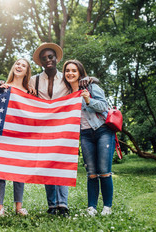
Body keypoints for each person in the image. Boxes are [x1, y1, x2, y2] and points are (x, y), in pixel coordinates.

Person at [62, 59, 115, 216]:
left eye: (74, 70)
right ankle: (91, 207)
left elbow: (104, 106)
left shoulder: (91, 86)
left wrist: (88, 100)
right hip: (85, 134)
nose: (70, 73)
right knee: (91, 172)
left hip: (102, 130)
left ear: (79, 72)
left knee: (104, 170)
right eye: (67, 71)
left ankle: (107, 207)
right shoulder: (66, 93)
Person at [29, 43, 70, 217]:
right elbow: (22, 94)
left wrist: (92, 80)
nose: (48, 60)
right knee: (48, 165)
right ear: (41, 62)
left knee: (61, 163)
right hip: (43, 128)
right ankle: (52, 205)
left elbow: (81, 86)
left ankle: (63, 204)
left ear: (56, 58)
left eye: (50, 57)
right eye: (44, 58)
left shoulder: (66, 78)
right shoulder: (35, 80)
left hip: (63, 126)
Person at [0, 58, 31, 216]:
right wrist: (0, 92)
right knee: (0, 172)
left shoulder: (29, 92)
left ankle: (18, 207)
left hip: (21, 135)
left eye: (23, 65)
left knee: (19, 172)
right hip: (4, 133)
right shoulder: (4, 86)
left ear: (26, 71)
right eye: (17, 64)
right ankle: (0, 208)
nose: (19, 66)